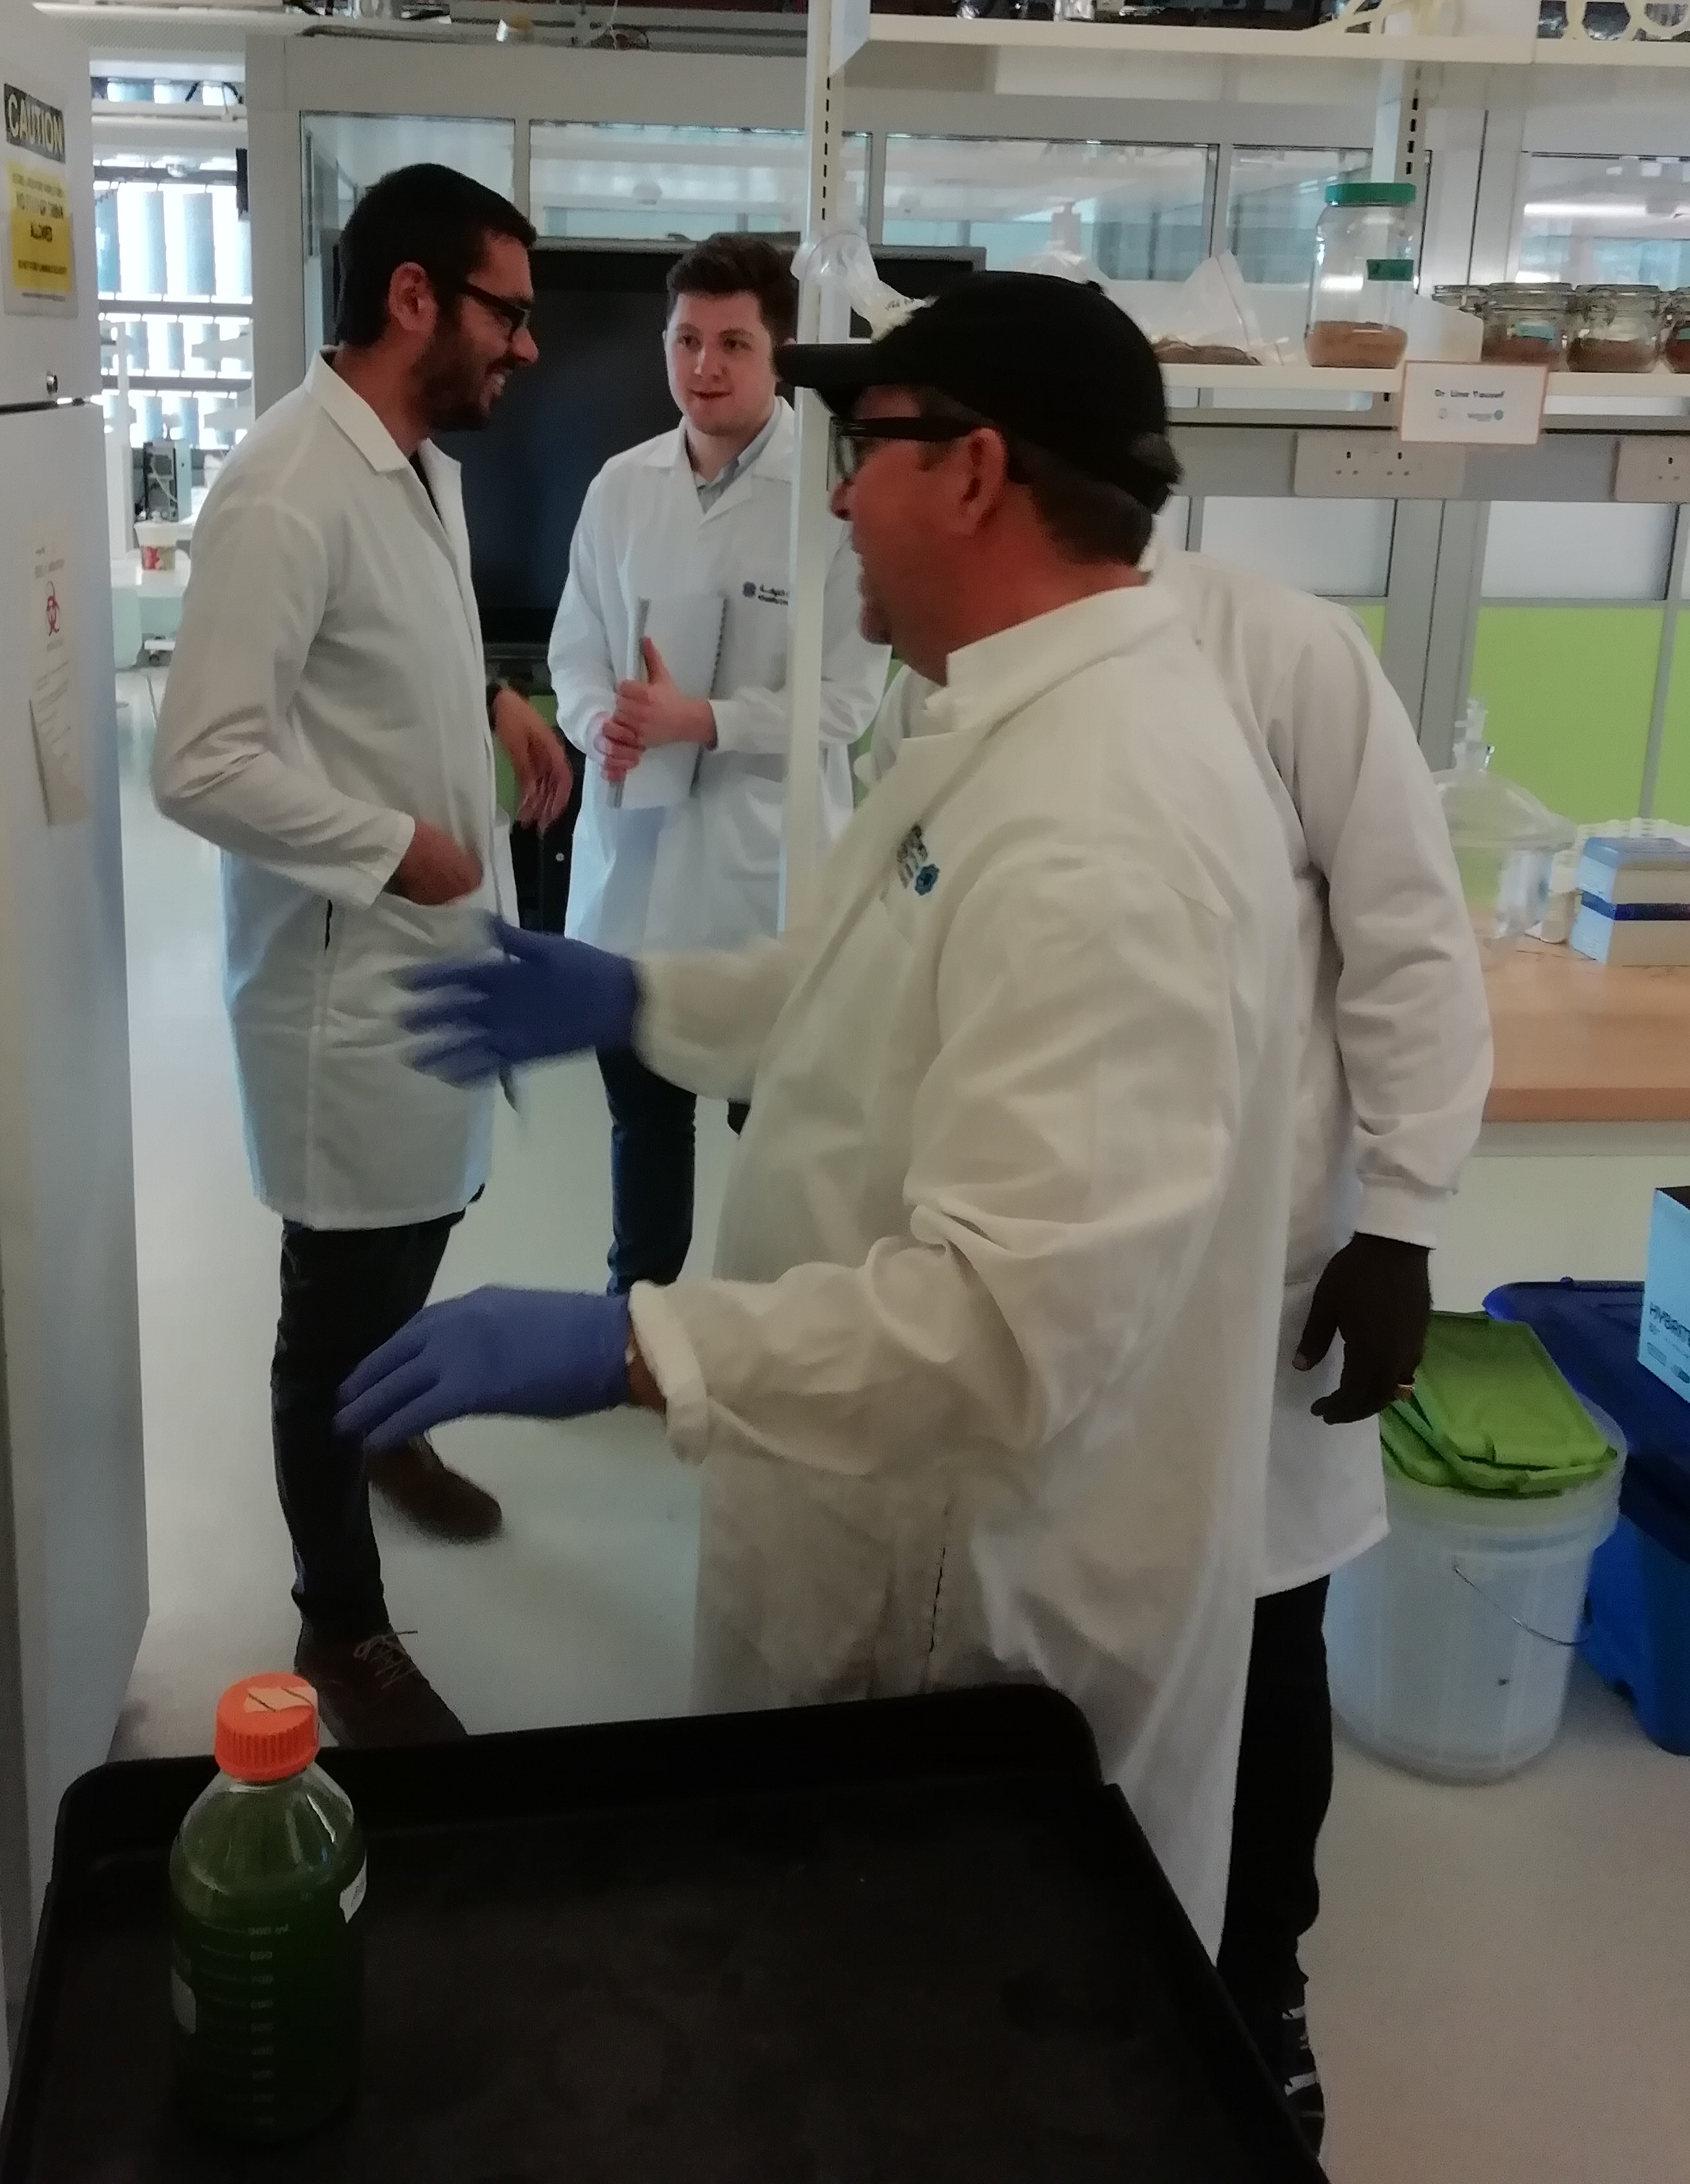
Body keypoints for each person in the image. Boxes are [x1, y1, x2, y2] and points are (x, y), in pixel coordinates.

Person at [338, 272, 1301, 1947]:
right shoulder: (1011, 715)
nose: (838, 491)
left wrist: (637, 1346)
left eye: (872, 449)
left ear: (981, 474)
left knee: (913, 2047)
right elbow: (864, 974)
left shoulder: (1104, 826)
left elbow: (1004, 1330)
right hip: (885, 1541)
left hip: (966, 1631)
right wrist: (635, 993)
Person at [864, 538, 1492, 2151]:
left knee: (1268, 1630)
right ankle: (1031, 1946)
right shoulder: (958, 670)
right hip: (1034, 1253)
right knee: (1049, 1626)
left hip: (1256, 1272)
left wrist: (1405, 1218)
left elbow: (1412, 929)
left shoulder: (1276, 652)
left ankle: (1253, 1980)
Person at [151, 162, 573, 1746]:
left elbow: (392, 655)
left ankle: (390, 1434)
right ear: (414, 299)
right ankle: (340, 1624)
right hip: (344, 985)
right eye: (506, 313)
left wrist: (494, 703)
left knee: (438, 1204)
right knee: (334, 1304)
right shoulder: (283, 484)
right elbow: (198, 761)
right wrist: (397, 843)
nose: (524, 348)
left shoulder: (417, 463)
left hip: (434, 959)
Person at [547, 233, 888, 1290]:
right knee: (642, 1122)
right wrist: (598, 719)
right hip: (636, 868)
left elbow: (849, 703)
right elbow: (576, 651)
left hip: (767, 881)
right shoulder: (619, 487)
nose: (705, 366)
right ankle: (635, 1317)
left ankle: (769, 1323)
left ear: (779, 351)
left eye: (733, 342)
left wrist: (708, 721)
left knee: (777, 1133)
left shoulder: (830, 498)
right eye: (686, 340)